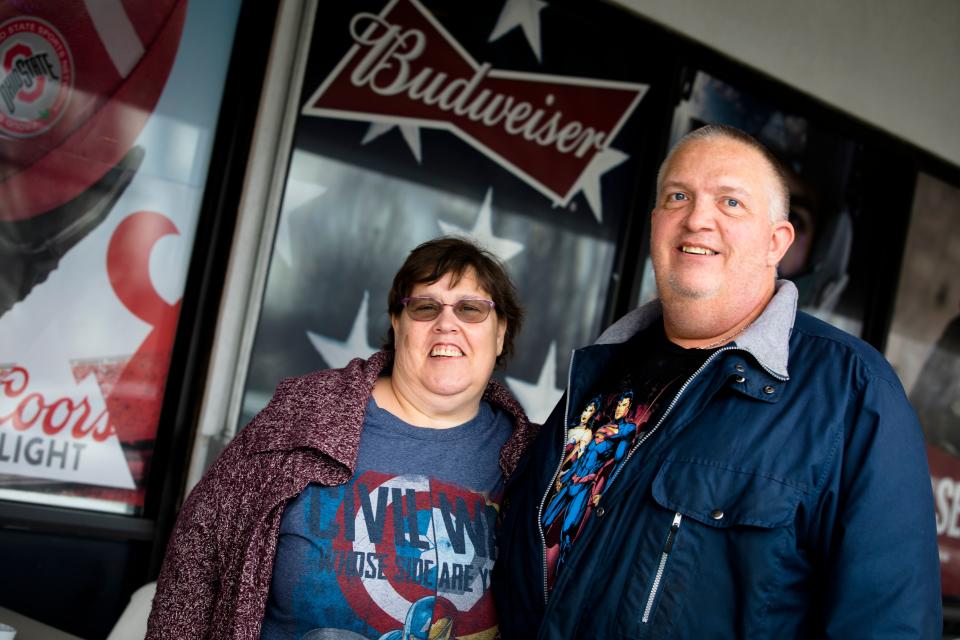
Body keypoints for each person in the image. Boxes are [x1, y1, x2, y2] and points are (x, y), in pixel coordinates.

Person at [493, 124, 941, 638]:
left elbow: (890, 626)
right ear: (655, 224)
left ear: (778, 242)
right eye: (678, 196)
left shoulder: (852, 394)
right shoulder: (600, 376)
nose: (698, 219)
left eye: (731, 203)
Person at [147, 236, 537, 640]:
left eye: (471, 309)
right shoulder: (303, 415)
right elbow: (195, 563)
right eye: (426, 307)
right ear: (397, 323)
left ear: (500, 332)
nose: (446, 323)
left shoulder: (535, 460)